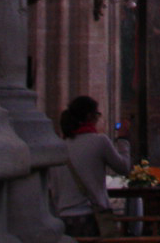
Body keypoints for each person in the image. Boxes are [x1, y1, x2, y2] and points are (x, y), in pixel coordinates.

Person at [47, 95, 131, 238]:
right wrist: (123, 139)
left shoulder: (58, 147)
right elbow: (124, 168)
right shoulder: (99, 141)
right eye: (97, 115)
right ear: (89, 116)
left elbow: (52, 188)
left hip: (63, 219)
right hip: (90, 216)